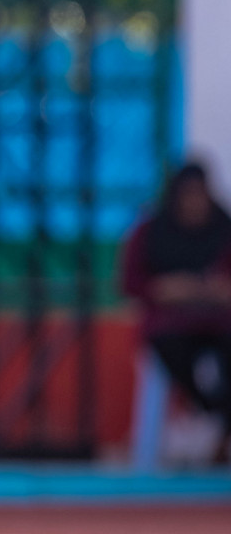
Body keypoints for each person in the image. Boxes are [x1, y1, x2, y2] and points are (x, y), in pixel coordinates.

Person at [120, 161, 231, 464]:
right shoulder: (151, 232)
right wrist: (165, 289)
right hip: (171, 323)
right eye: (188, 195)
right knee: (171, 347)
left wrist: (219, 290)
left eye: (200, 195)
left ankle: (217, 422)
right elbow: (131, 282)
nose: (194, 203)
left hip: (220, 320)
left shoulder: (224, 229)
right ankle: (211, 414)